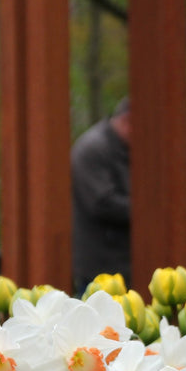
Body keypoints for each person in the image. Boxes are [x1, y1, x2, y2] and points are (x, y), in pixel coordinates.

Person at [71, 97, 131, 294]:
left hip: (121, 264)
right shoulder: (93, 148)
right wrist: (148, 211)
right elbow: (102, 203)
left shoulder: (120, 146)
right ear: (126, 121)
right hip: (99, 266)